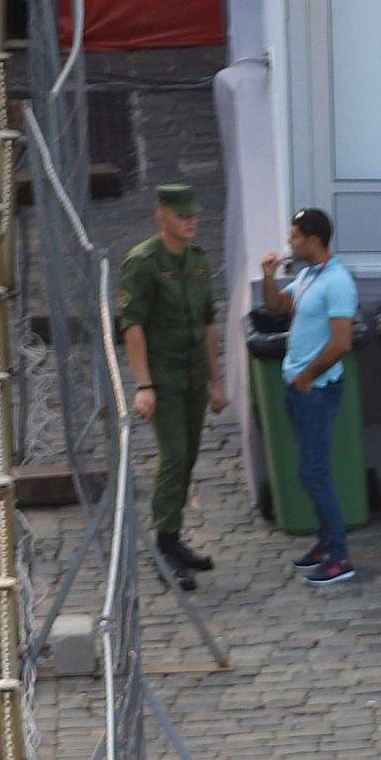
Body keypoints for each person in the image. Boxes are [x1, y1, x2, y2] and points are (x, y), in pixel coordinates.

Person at [115, 181, 224, 588]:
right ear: (162, 218)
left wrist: (216, 382)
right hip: (165, 378)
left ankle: (174, 540)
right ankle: (164, 546)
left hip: (194, 374)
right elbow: (133, 327)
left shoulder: (196, 259)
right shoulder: (142, 263)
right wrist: (144, 385)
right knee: (174, 458)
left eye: (194, 215)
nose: (191, 222)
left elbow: (209, 322)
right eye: (182, 216)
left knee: (189, 456)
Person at [256, 209, 359, 589]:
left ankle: (339, 554)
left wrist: (308, 375)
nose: (290, 243)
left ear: (313, 240)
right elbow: (274, 308)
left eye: (295, 236)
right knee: (309, 470)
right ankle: (324, 542)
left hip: (315, 390)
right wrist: (268, 278)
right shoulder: (307, 276)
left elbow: (342, 342)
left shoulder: (337, 283)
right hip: (299, 388)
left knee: (313, 472)